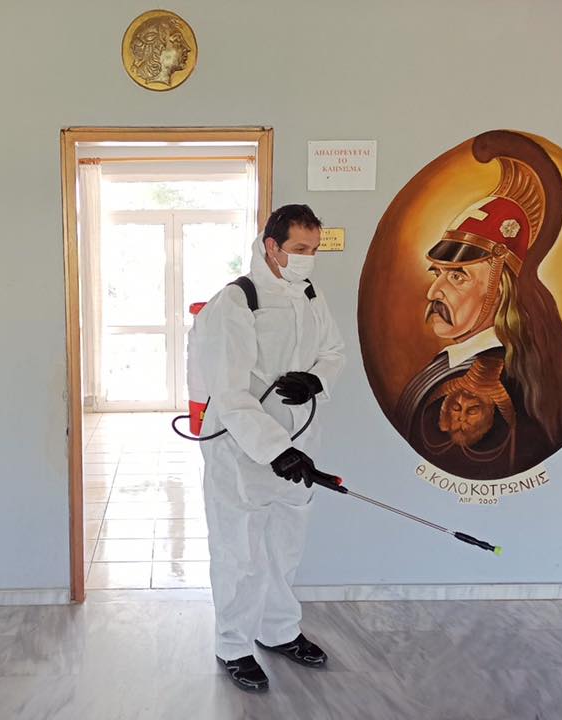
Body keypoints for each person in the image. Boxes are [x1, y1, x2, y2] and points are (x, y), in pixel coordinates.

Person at [193, 204, 345, 691]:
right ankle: (234, 644)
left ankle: (278, 630)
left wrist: (315, 380)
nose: (308, 258)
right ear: (271, 246)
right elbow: (231, 392)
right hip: (243, 451)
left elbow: (334, 351)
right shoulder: (237, 301)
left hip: (300, 445)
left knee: (284, 547)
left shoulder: (310, 294)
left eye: (314, 249)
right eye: (300, 248)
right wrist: (275, 450)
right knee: (239, 550)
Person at [394, 133, 562, 480]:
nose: (434, 292)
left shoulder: (503, 384)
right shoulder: (453, 364)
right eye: (438, 273)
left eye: (458, 276)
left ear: (499, 290)